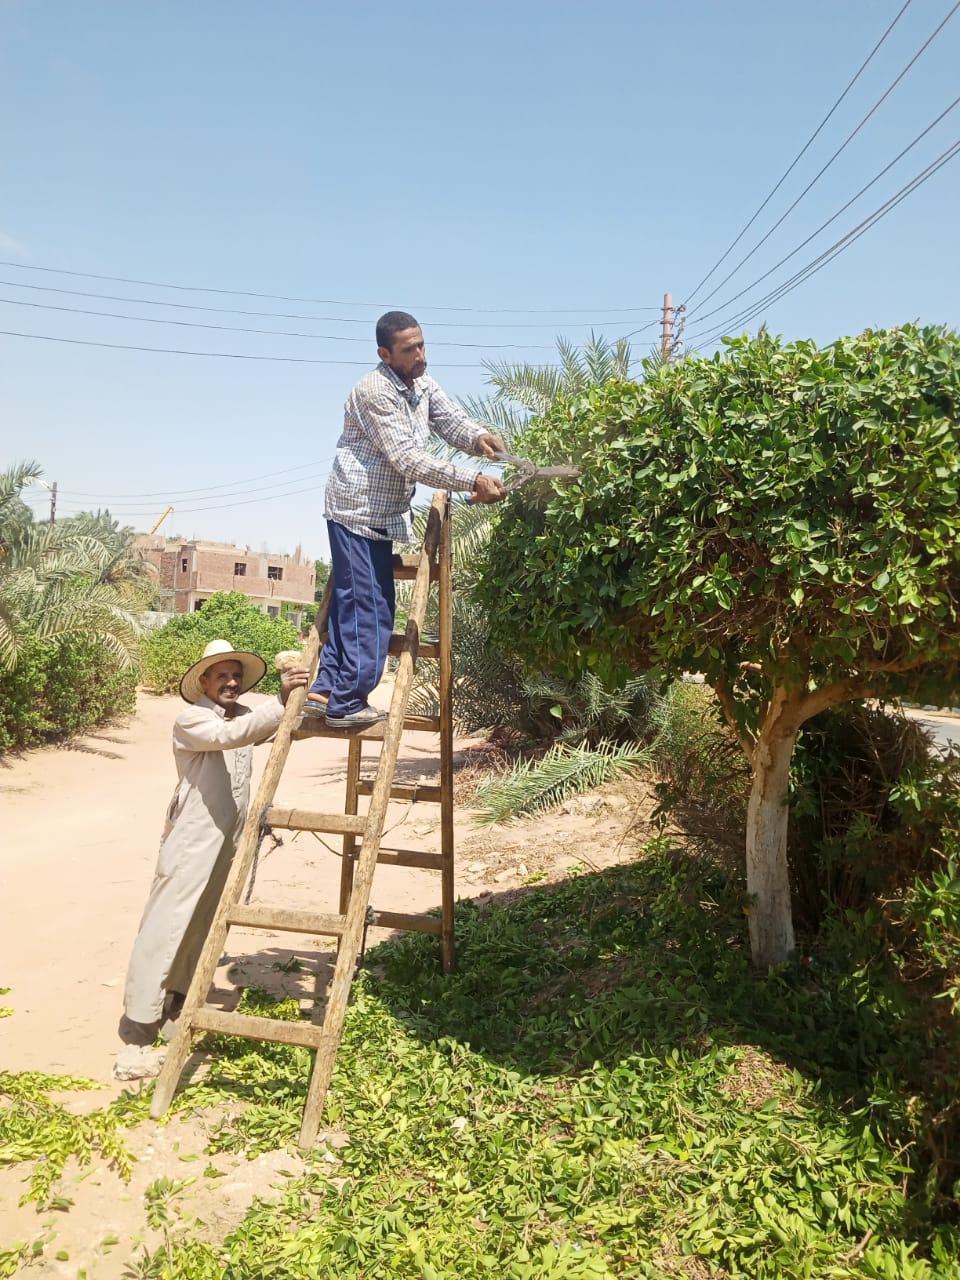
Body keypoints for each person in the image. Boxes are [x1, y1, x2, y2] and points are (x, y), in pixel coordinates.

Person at [114, 639, 309, 1081]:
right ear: (203, 682)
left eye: (235, 676)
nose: (231, 682)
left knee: (202, 921)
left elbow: (261, 728)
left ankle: (176, 1001)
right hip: (191, 840)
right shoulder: (193, 719)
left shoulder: (241, 716)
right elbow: (230, 736)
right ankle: (139, 1025)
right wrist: (279, 700)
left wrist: (303, 695)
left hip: (227, 841)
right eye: (221, 676)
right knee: (166, 925)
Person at [307, 310, 506, 728]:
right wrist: (472, 478)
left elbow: (449, 419)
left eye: (421, 344)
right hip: (356, 511)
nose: (419, 354)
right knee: (370, 610)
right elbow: (407, 459)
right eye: (408, 349)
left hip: (381, 516)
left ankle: (325, 690)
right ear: (385, 353)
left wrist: (478, 438)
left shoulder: (421, 382)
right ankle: (346, 703)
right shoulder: (374, 391)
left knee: (356, 603)